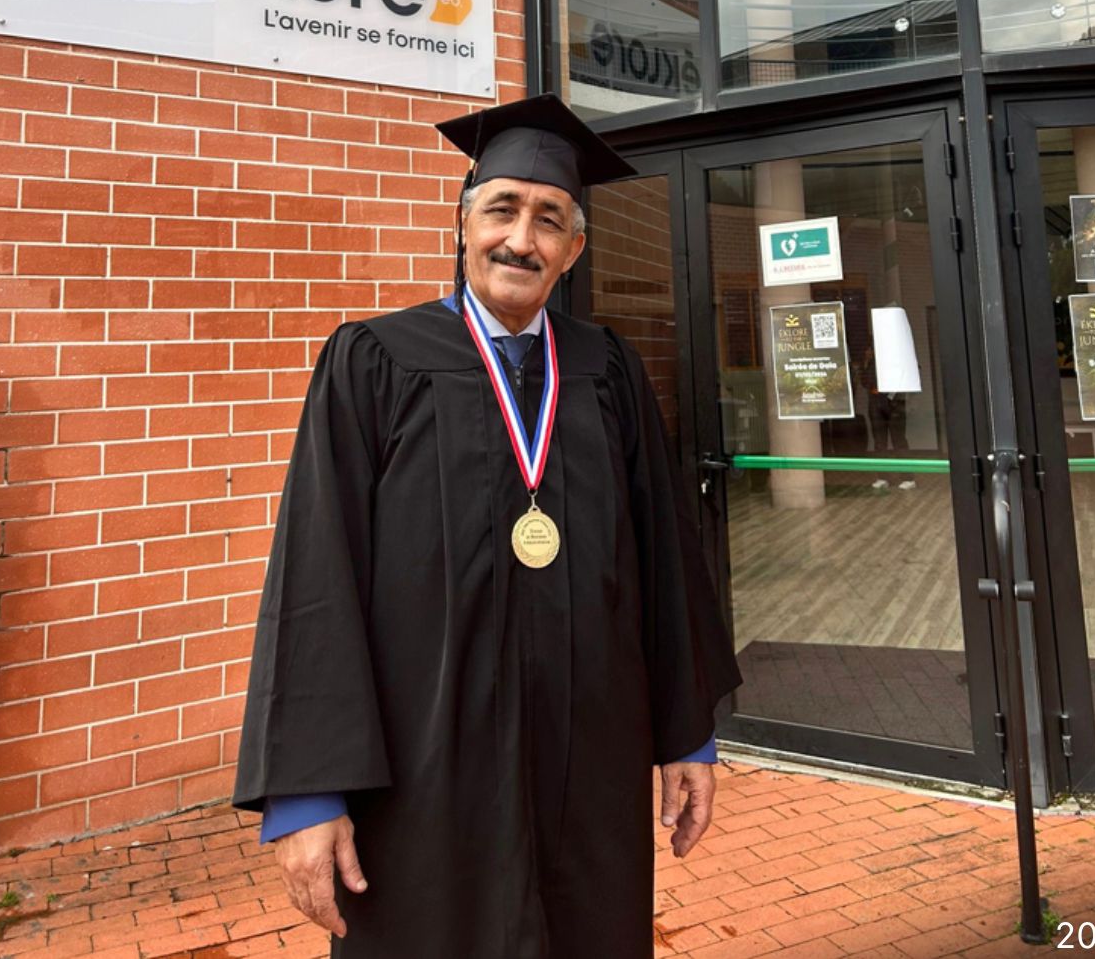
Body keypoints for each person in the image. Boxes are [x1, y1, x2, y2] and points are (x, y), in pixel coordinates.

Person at [233, 94, 742, 959]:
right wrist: (309, 793)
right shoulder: (375, 360)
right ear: (464, 224)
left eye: (549, 219)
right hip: (424, 768)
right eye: (502, 209)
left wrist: (686, 732)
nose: (521, 239)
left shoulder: (607, 369)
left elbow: (662, 559)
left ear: (573, 249)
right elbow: (317, 576)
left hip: (589, 764)